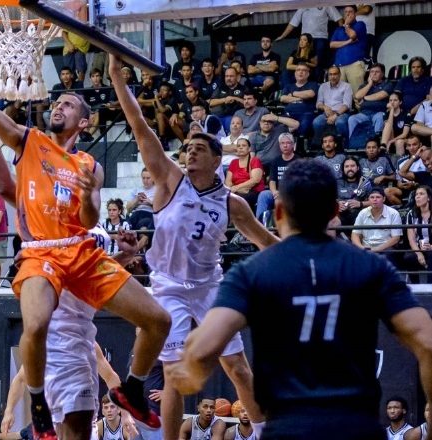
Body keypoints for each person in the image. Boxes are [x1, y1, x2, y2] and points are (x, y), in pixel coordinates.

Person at [0, 32, 172, 436]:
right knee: (37, 324)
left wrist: (87, 195)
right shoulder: (32, 142)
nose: (59, 106)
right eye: (57, 101)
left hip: (80, 251)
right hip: (41, 252)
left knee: (158, 320)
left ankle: (131, 388)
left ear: (84, 121)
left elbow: (90, 214)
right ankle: (38, 399)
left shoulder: (88, 164)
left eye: (68, 104)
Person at [165, 158, 432, 439]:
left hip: (287, 428)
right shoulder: (372, 267)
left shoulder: (251, 272)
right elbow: (427, 342)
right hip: (355, 427)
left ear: (278, 212)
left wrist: (184, 371)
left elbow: (201, 350)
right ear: (335, 210)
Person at [109, 52, 278, 440]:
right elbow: (138, 126)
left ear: (217, 159)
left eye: (198, 149)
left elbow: (265, 241)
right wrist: (119, 77)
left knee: (237, 366)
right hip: (169, 287)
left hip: (210, 287)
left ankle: (265, 434)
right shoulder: (170, 180)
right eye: (186, 148)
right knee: (173, 376)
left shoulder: (232, 203)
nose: (189, 153)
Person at [351, 187, 403, 266]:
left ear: (384, 199)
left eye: (378, 197)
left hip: (385, 248)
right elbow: (355, 234)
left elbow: (396, 238)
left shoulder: (393, 213)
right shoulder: (362, 213)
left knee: (390, 254)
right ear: (369, 199)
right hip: (366, 247)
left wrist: (377, 249)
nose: (375, 199)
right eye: (372, 197)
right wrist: (361, 248)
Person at [256, 133, 299, 222]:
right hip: (277, 192)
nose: (285, 145)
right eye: (282, 143)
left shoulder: (298, 160)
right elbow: (272, 181)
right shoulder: (276, 161)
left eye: (288, 143)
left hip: (293, 193)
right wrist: (275, 193)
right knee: (263, 195)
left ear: (293, 145)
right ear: (279, 145)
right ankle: (260, 225)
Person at [330, 5, 368, 93]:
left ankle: (359, 108)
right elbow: (332, 44)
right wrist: (348, 42)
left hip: (354, 64)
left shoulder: (360, 24)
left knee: (357, 95)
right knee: (339, 96)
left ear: (355, 14)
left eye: (350, 12)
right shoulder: (339, 29)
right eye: (346, 12)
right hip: (339, 67)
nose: (348, 14)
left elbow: (353, 35)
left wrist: (346, 25)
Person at [226, 137, 265, 210]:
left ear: (249, 149)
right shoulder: (233, 162)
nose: (240, 148)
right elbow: (228, 181)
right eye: (238, 146)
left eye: (243, 146)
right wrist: (237, 189)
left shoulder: (254, 160)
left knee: (238, 200)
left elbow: (255, 180)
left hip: (253, 191)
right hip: (237, 191)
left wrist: (237, 187)